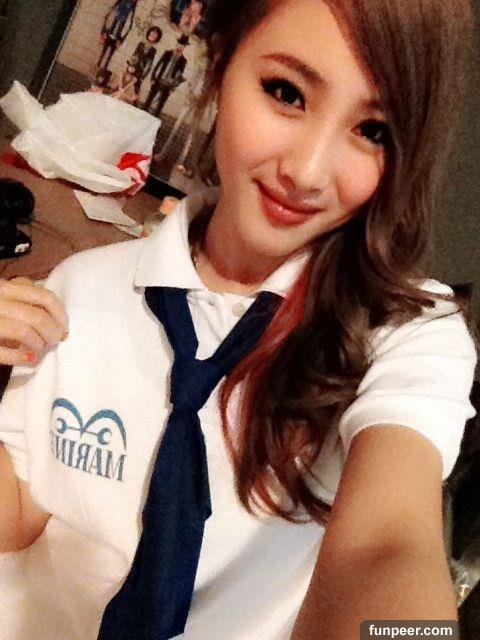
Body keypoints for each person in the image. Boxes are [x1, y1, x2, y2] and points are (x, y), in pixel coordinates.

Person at [0, 1, 477, 639]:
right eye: (286, 92)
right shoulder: (79, 290)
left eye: (372, 130)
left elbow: (387, 547)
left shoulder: (403, 332)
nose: (306, 172)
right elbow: (20, 514)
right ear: (221, 64)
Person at [143, 35, 189, 117]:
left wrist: (173, 87)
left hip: (168, 84)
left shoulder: (183, 60)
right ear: (176, 44)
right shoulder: (167, 53)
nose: (179, 46)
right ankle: (141, 115)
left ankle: (154, 120)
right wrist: (152, 78)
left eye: (182, 45)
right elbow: (158, 65)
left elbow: (180, 75)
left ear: (184, 47)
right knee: (149, 99)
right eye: (179, 44)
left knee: (160, 105)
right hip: (158, 80)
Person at [97, 0, 139, 72]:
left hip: (119, 30)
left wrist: (130, 23)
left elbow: (132, 15)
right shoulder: (122, 2)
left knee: (111, 52)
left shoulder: (133, 4)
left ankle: (105, 66)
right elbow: (114, 6)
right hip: (114, 23)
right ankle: (99, 62)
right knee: (105, 48)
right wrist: (109, 13)